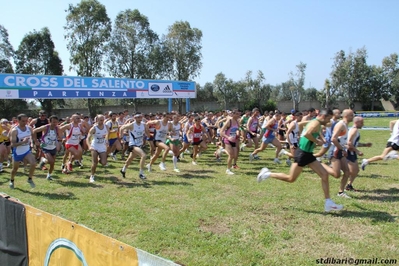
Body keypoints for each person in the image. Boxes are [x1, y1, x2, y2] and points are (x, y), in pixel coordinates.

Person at [256, 109, 344, 212]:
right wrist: (317, 141)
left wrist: (302, 136)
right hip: (303, 153)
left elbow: (301, 125)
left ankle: (328, 202)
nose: (329, 121)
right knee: (291, 178)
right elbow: (307, 134)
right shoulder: (315, 123)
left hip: (308, 153)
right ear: (323, 117)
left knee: (324, 175)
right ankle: (267, 174)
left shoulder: (315, 122)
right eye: (328, 118)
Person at [321, 109, 354, 198]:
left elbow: (341, 139)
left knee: (347, 172)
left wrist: (345, 148)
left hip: (340, 150)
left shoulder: (346, 125)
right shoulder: (340, 125)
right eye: (351, 115)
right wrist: (342, 148)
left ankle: (341, 192)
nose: (353, 117)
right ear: (346, 116)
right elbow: (333, 139)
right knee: (336, 175)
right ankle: (320, 164)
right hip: (335, 150)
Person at [9, 114, 37, 189]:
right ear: (18, 121)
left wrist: (35, 142)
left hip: (26, 151)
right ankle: (12, 180)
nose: (25, 122)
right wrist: (23, 142)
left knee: (33, 163)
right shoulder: (15, 130)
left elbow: (33, 135)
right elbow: (13, 144)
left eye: (26, 121)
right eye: (23, 121)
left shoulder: (29, 128)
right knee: (15, 169)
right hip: (17, 152)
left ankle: (30, 179)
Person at [345, 116, 372, 191]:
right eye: (362, 122)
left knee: (355, 171)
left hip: (352, 151)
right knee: (352, 171)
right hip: (350, 152)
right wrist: (357, 151)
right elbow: (349, 143)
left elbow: (354, 143)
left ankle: (349, 185)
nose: (363, 124)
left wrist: (365, 145)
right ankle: (345, 186)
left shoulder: (354, 130)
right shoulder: (354, 130)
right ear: (356, 122)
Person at [33, 115, 63, 180]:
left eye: (56, 122)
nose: (55, 124)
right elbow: (34, 131)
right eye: (53, 122)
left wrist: (59, 142)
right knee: (51, 161)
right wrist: (36, 141)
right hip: (45, 146)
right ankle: (43, 160)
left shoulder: (57, 128)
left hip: (53, 147)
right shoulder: (45, 127)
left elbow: (60, 137)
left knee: (52, 164)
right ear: (49, 121)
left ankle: (48, 175)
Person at [119, 113, 148, 179]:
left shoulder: (143, 124)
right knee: (143, 155)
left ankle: (123, 170)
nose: (140, 118)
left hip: (139, 144)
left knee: (130, 158)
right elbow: (121, 128)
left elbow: (146, 132)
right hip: (133, 144)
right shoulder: (132, 125)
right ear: (135, 118)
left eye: (141, 117)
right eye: (138, 117)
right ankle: (141, 173)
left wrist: (148, 134)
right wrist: (121, 138)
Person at [86, 114, 109, 183]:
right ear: (97, 120)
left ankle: (99, 159)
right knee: (94, 162)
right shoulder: (94, 128)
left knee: (104, 163)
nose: (102, 121)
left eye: (103, 120)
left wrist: (106, 141)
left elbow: (107, 134)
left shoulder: (106, 127)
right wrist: (89, 146)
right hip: (95, 146)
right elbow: (88, 138)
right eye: (100, 120)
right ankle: (92, 176)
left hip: (102, 146)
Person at [220, 109, 241, 175]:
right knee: (231, 155)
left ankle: (222, 150)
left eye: (239, 114)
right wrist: (228, 137)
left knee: (235, 155)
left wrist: (237, 133)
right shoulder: (229, 121)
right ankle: (228, 170)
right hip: (228, 140)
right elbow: (221, 131)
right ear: (233, 114)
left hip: (234, 140)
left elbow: (237, 129)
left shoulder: (237, 121)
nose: (238, 115)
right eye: (237, 114)